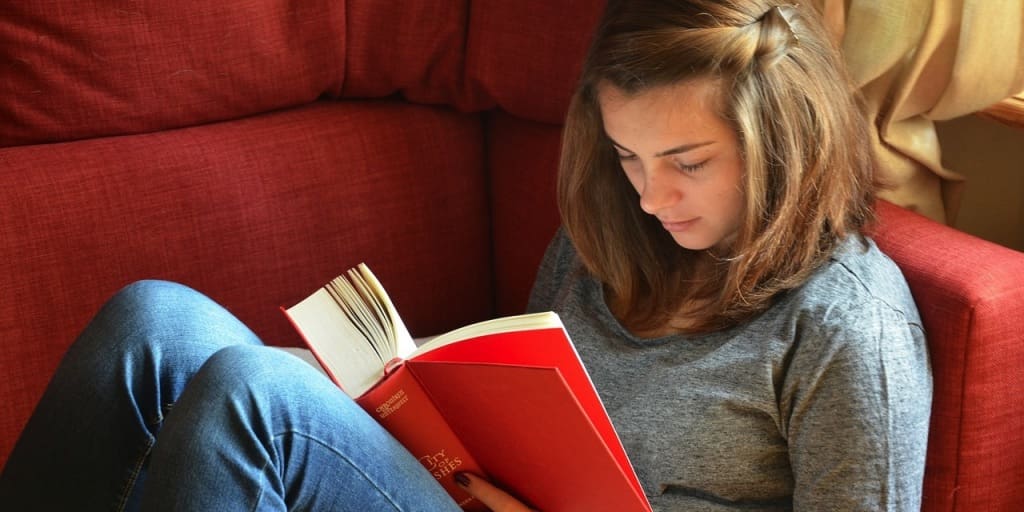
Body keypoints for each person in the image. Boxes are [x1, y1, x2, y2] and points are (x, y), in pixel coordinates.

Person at [0, 0, 931, 510]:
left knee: (250, 397)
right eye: (627, 156)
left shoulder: (850, 326)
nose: (650, 197)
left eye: (687, 163)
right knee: (153, 320)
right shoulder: (612, 233)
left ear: (783, 140)